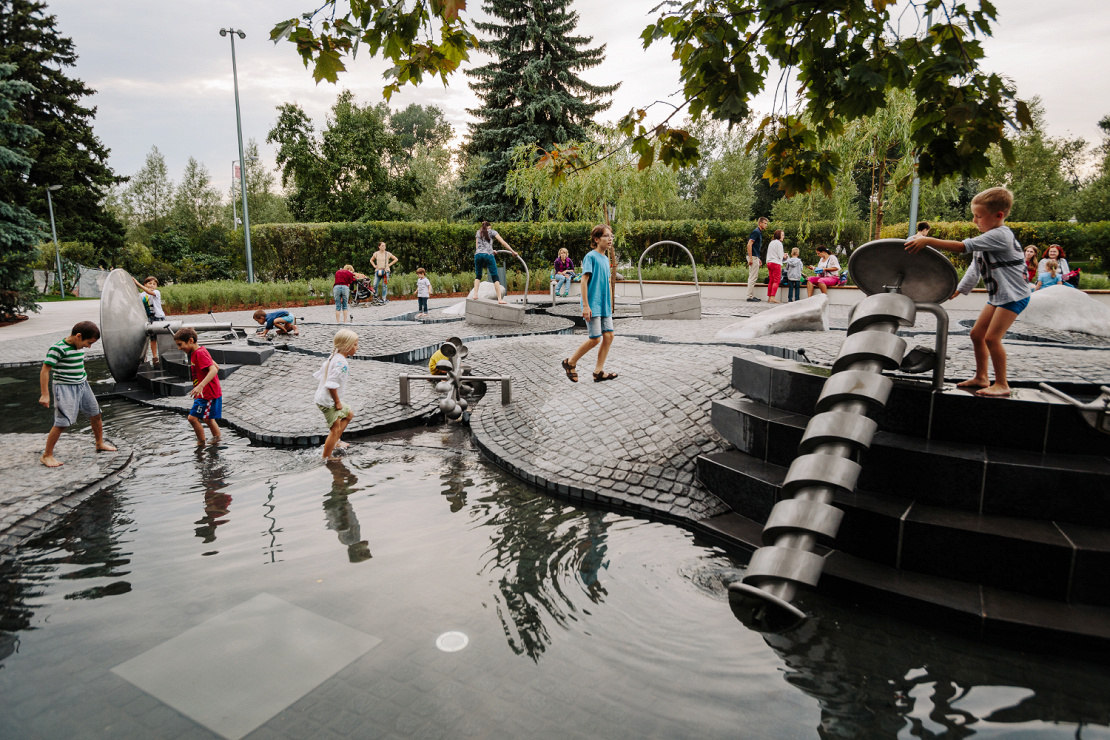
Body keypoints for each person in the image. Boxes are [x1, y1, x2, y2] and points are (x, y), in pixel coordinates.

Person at [906, 186, 1027, 398]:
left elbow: (962, 247)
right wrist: (960, 289)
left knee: (992, 338)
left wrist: (928, 241)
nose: (974, 221)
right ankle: (982, 377)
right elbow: (975, 267)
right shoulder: (989, 237)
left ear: (998, 216)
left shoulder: (1001, 235)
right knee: (977, 334)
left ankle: (1002, 384)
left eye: (978, 216)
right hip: (999, 297)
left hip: (1014, 297)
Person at [38, 321, 117, 467]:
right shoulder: (58, 348)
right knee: (62, 422)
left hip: (82, 384)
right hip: (64, 387)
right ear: (78, 336)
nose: (89, 346)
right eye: (89, 342)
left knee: (96, 414)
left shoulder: (78, 346)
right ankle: (47, 455)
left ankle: (99, 443)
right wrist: (45, 394)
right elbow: (45, 370)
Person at [561, 225, 618, 383]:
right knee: (595, 338)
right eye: (606, 236)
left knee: (609, 336)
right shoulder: (590, 257)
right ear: (597, 239)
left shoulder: (606, 259)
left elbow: (605, 282)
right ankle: (570, 362)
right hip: (593, 304)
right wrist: (586, 306)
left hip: (604, 305)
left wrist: (611, 303)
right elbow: (584, 281)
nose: (610, 239)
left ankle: (598, 372)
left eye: (611, 236)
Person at [313, 329, 359, 461]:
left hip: (326, 398)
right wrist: (337, 402)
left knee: (349, 414)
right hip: (328, 401)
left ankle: (336, 441)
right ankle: (326, 457)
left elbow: (324, 371)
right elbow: (331, 385)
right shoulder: (342, 363)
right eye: (355, 344)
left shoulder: (335, 355)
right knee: (334, 429)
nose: (357, 347)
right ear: (346, 346)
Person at [174, 327, 223, 445]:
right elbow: (216, 366)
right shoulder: (199, 351)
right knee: (208, 419)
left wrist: (201, 386)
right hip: (206, 392)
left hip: (207, 393)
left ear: (190, 341)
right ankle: (217, 440)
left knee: (192, 418)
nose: (179, 348)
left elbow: (213, 370)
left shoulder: (199, 353)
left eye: (180, 345)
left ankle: (201, 444)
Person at [474, 221, 517, 305]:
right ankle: (500, 299)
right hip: (488, 255)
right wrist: (512, 251)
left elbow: (478, 247)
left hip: (478, 254)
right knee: (495, 276)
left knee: (478, 275)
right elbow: (503, 242)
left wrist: (491, 249)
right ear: (489, 226)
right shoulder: (493, 232)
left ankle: (475, 295)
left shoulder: (478, 232)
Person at [134, 276, 166, 364]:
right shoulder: (141, 295)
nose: (152, 285)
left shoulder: (156, 292)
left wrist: (138, 283)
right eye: (149, 283)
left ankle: (164, 355)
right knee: (152, 338)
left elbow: (149, 292)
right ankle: (154, 357)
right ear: (145, 284)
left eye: (154, 284)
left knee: (161, 337)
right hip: (148, 318)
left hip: (158, 317)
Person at [746, 216, 769, 302]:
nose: (766, 225)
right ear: (760, 223)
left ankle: (750, 295)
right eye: (765, 223)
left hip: (755, 256)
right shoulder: (756, 232)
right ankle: (749, 296)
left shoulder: (759, 232)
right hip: (753, 257)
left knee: (752, 276)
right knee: (753, 277)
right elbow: (749, 244)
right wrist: (751, 258)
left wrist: (757, 258)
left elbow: (755, 247)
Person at [765, 229, 785, 303]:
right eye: (782, 235)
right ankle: (773, 297)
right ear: (779, 236)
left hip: (769, 262)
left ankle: (769, 297)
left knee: (771, 280)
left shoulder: (771, 242)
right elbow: (780, 255)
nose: (783, 237)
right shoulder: (779, 243)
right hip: (776, 263)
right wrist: (785, 256)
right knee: (776, 280)